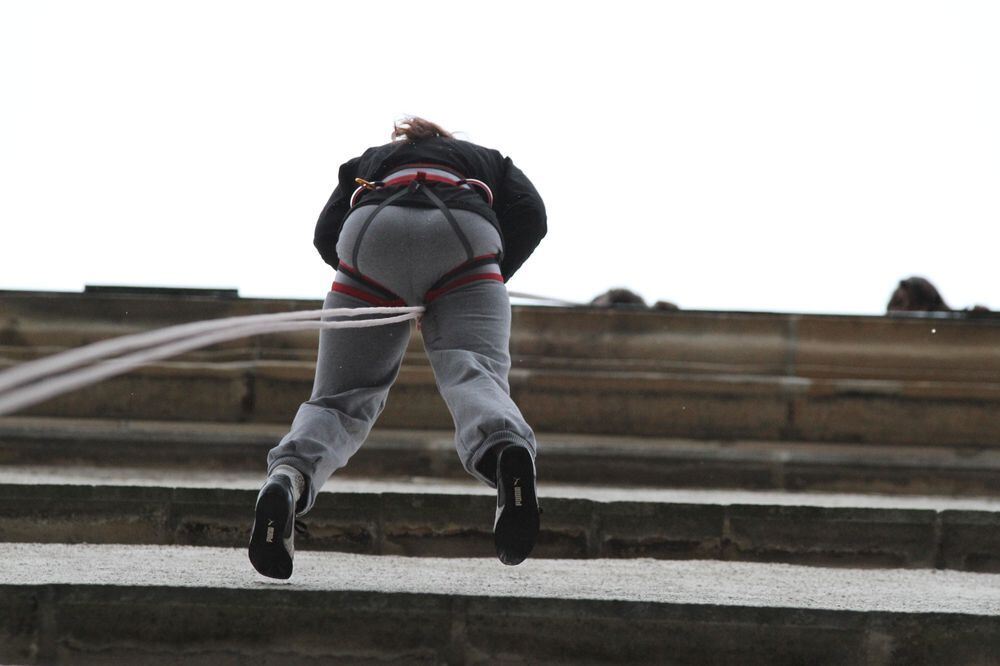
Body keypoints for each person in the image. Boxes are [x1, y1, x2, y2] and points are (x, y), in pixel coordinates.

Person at [248, 118, 547, 578]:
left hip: (371, 233)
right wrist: (483, 276)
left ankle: (289, 477)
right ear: (447, 142)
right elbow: (531, 214)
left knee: (341, 397)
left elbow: (326, 233)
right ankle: (505, 448)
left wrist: (369, 277)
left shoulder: (370, 161)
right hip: (464, 235)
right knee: (475, 370)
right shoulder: (489, 161)